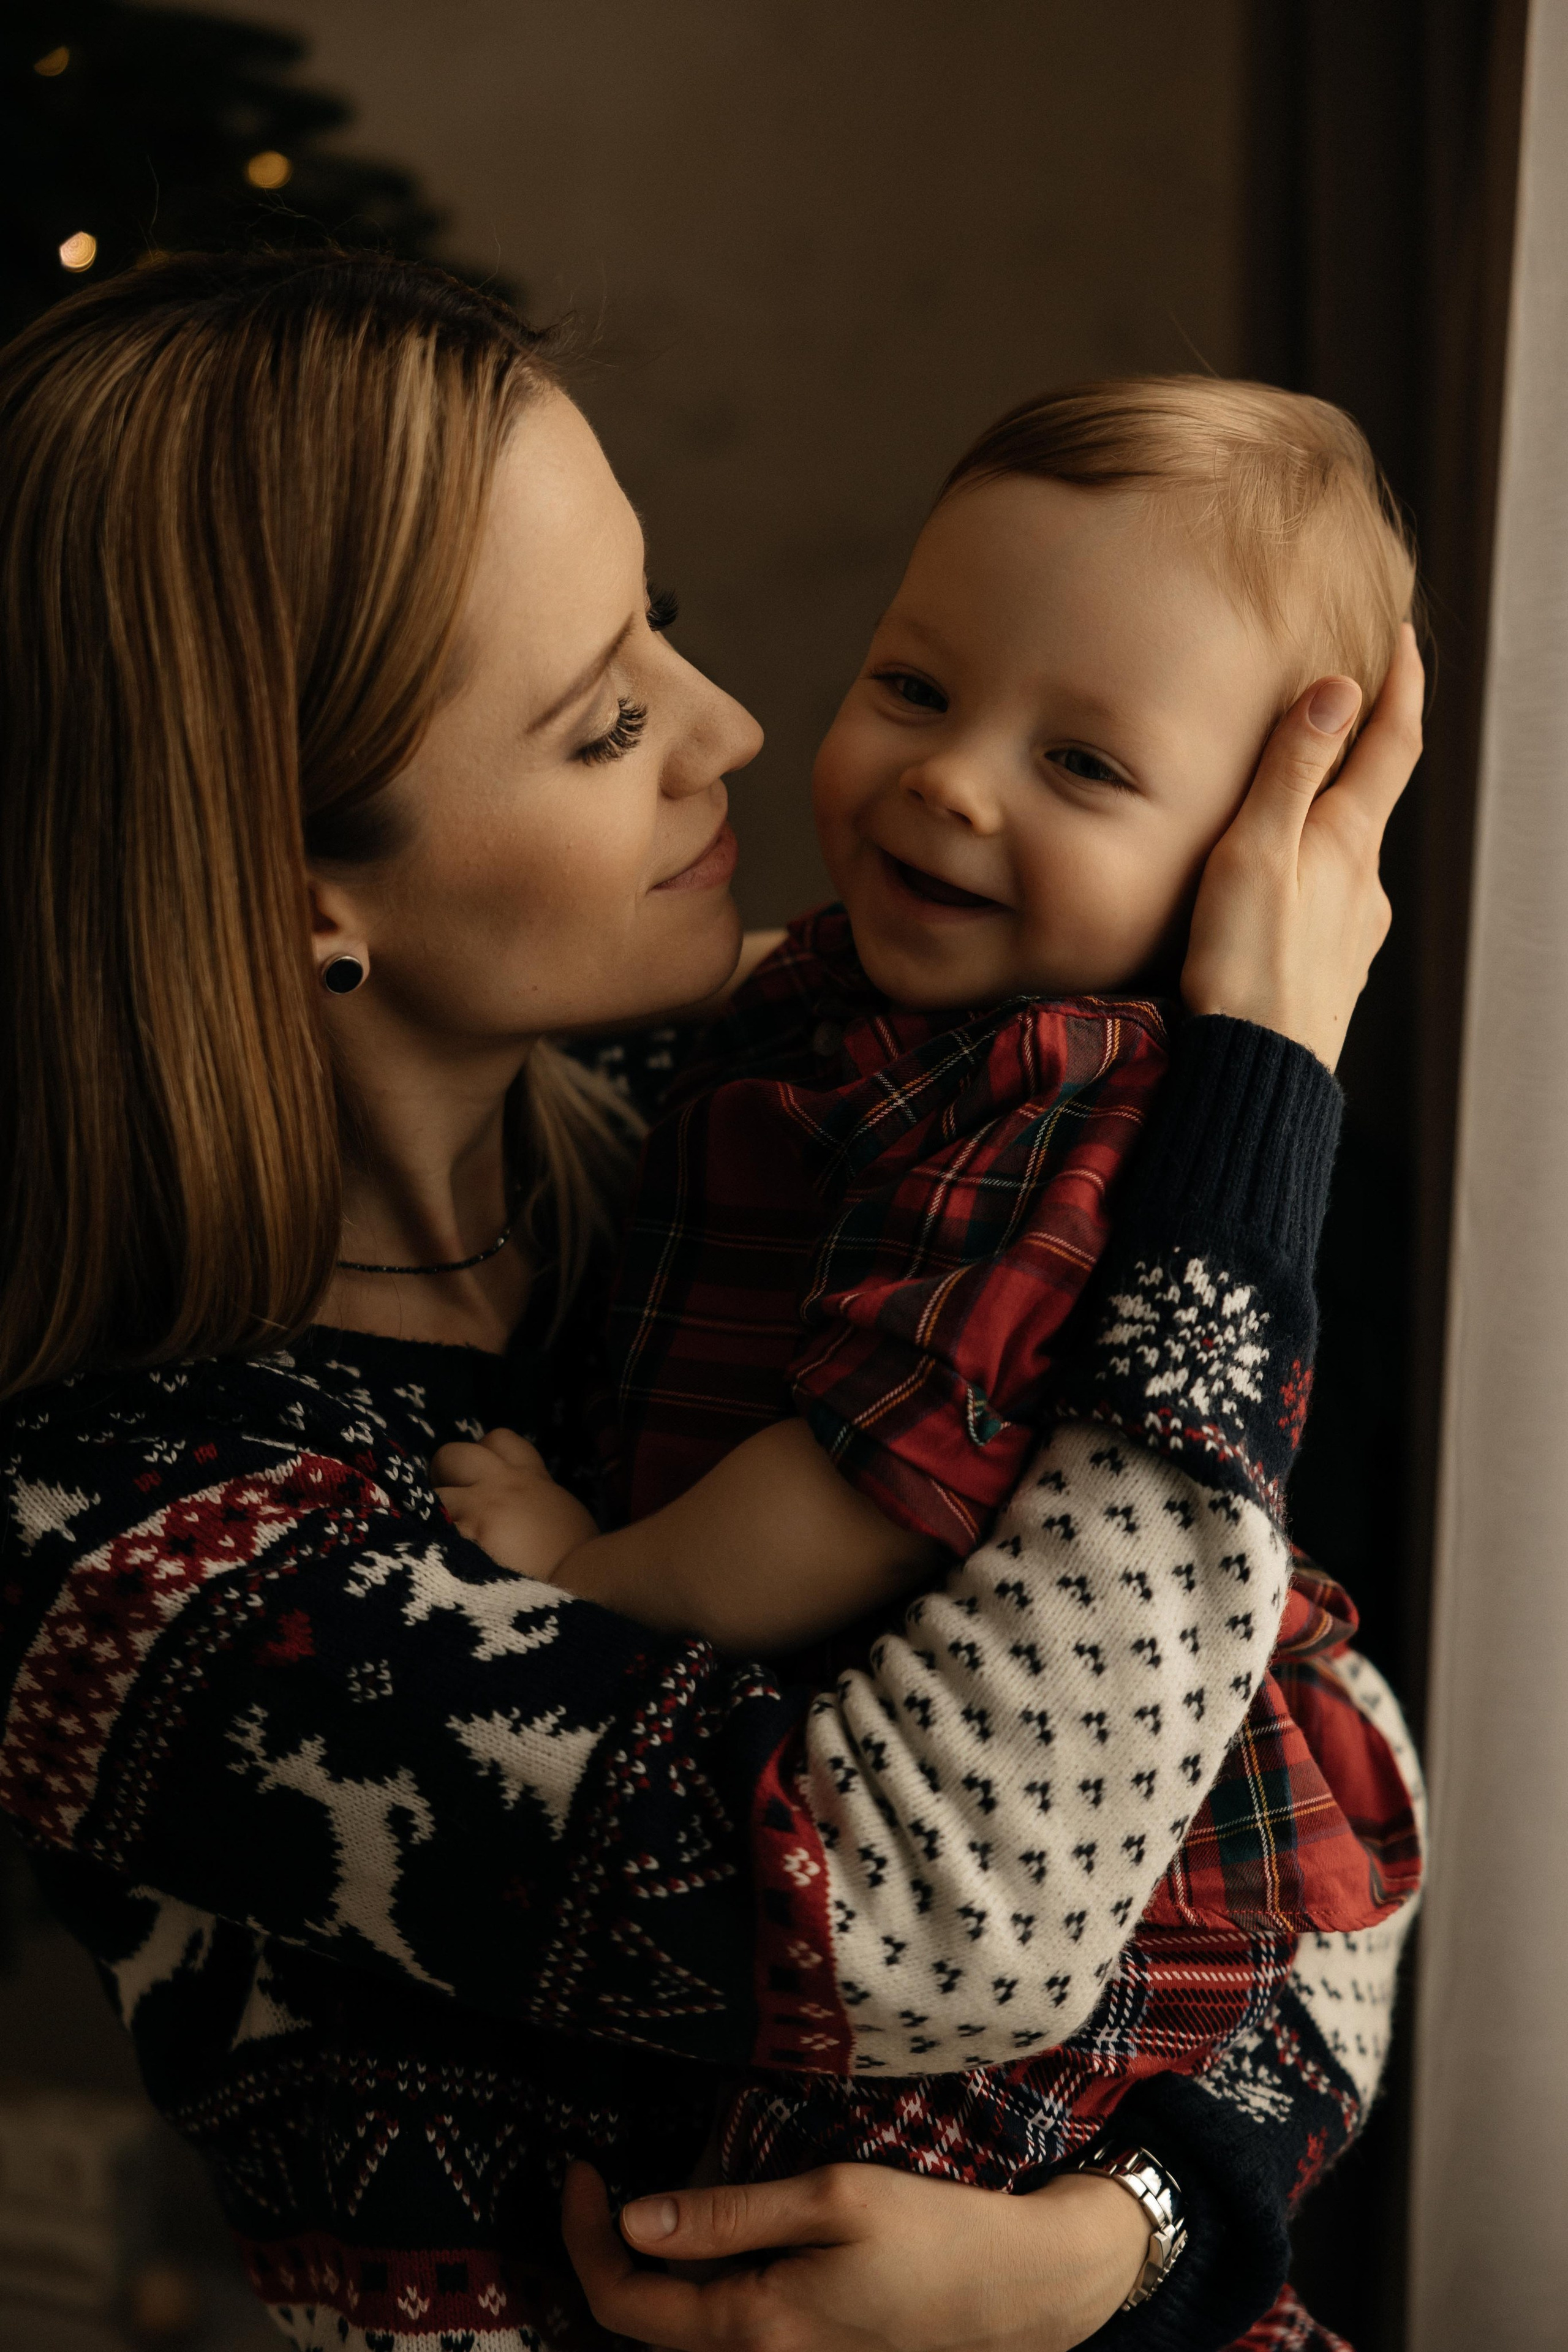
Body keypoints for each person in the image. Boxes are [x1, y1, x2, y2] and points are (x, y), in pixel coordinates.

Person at [0, 250, 1422, 2352]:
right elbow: (937, 1922)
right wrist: (1260, 1094)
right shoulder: (126, 1532)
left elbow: (1336, 1763)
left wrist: (1131, 2237)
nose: (737, 727)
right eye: (603, 717)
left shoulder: (760, 1123)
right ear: (301, 891)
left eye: (658, 618)